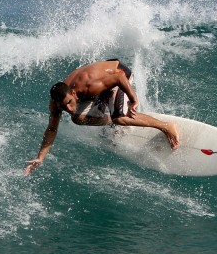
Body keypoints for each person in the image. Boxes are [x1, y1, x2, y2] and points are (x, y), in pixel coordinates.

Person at [24, 59, 180, 176]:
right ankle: (111, 120)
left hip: (119, 73)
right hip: (99, 86)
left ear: (73, 93)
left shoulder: (90, 85)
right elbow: (51, 129)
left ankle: (166, 126)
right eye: (63, 107)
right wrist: (40, 157)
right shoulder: (57, 103)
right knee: (77, 118)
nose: (68, 109)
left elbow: (119, 77)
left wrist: (133, 100)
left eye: (69, 103)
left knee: (120, 117)